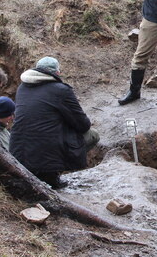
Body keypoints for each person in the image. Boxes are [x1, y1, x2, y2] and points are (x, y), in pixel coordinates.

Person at [9, 57, 99, 189]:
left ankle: (45, 172)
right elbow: (83, 125)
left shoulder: (22, 88)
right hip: (46, 156)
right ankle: (52, 174)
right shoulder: (61, 90)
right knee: (93, 135)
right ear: (57, 73)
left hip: (18, 154)